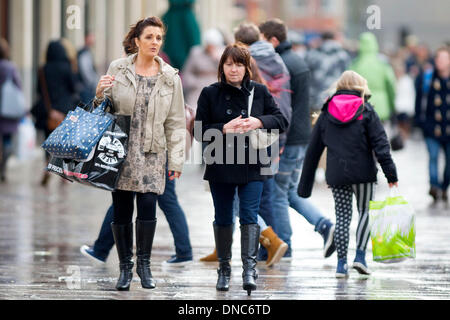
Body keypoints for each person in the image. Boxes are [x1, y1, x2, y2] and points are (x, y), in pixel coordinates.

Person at [94, 17, 186, 291]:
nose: (155, 42)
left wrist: (177, 159)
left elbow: (176, 121)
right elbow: (104, 108)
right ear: (137, 41)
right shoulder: (118, 68)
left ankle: (144, 267)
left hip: (153, 153)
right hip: (120, 150)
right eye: (149, 37)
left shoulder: (170, 77)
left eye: (158, 38)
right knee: (121, 209)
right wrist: (99, 94)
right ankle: (125, 269)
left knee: (147, 207)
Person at [195, 44, 288, 295]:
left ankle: (249, 269)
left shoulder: (258, 91)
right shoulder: (210, 93)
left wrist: (259, 121)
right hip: (221, 163)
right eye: (229, 64)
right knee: (223, 217)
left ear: (247, 68)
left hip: (252, 165)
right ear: (222, 67)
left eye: (238, 64)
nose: (233, 69)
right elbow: (198, 130)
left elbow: (281, 120)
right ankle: (224, 269)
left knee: (249, 215)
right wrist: (224, 128)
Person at [298, 70, 399, 278]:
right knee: (364, 212)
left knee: (342, 217)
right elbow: (381, 145)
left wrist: (305, 185)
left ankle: (341, 265)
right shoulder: (366, 110)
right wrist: (391, 175)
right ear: (361, 87)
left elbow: (313, 150)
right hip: (364, 174)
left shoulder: (326, 112)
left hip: (337, 175)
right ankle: (360, 258)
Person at [258, 18, 336, 260]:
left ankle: (286, 244)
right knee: (290, 192)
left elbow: (283, 107)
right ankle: (323, 225)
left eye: (262, 40)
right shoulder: (297, 60)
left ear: (273, 40)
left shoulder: (281, 63)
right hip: (301, 135)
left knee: (278, 194)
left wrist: (280, 140)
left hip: (289, 137)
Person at [80, 162, 193, 265]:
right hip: (162, 155)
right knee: (168, 202)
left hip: (145, 157)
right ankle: (184, 251)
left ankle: (101, 250)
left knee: (122, 200)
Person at [36, 40, 79, 186]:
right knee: (64, 144)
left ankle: (48, 166)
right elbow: (73, 88)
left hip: (48, 112)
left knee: (48, 142)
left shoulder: (43, 69)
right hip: (65, 111)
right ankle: (63, 173)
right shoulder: (66, 68)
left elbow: (39, 90)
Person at [414, 47, 450, 204]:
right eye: (438, 59)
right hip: (431, 127)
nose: (440, 62)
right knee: (433, 157)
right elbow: (419, 100)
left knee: (449, 162)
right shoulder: (427, 78)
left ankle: (444, 187)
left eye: (444, 59)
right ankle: (434, 186)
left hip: (448, 130)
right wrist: (419, 122)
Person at [350, 32, 397, 122]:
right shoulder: (382, 64)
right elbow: (391, 85)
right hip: (381, 107)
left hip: (360, 108)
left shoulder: (354, 65)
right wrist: (392, 105)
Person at [305, 31, 351, 112]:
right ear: (334, 39)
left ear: (322, 39)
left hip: (315, 98)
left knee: (316, 122)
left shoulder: (312, 54)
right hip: (336, 98)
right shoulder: (343, 55)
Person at [182, 28, 225, 109]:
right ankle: (197, 122)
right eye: (209, 44)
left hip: (216, 85)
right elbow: (187, 71)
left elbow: (226, 71)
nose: (211, 47)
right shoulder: (196, 52)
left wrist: (217, 59)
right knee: (195, 111)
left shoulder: (223, 52)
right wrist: (193, 83)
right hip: (198, 86)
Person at [0, 38, 23, 182]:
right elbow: (18, 87)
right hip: (7, 109)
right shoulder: (10, 67)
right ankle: (3, 167)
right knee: (7, 141)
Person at [77, 32, 99, 104]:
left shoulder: (87, 51)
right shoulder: (84, 52)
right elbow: (86, 72)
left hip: (86, 88)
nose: (93, 39)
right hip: (86, 89)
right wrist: (94, 84)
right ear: (86, 38)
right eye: (91, 37)